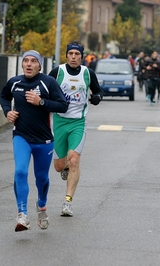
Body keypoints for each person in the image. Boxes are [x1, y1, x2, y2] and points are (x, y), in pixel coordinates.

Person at [0, 50, 68, 232]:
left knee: (41, 178)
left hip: (44, 140)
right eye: (26, 61)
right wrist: (7, 111)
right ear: (22, 64)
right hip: (21, 136)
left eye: (33, 61)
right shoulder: (15, 83)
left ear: (39, 65)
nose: (29, 64)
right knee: (20, 171)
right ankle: (22, 215)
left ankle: (42, 206)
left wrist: (41, 102)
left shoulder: (48, 83)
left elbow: (63, 105)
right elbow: (4, 96)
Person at [49, 41, 103, 217]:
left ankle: (68, 202)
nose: (73, 57)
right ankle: (63, 167)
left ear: (82, 56)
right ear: (66, 55)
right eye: (70, 53)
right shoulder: (57, 72)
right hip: (58, 121)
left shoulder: (88, 73)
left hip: (78, 122)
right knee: (59, 166)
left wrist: (97, 98)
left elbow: (98, 91)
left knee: (74, 160)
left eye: (77, 54)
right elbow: (44, 91)